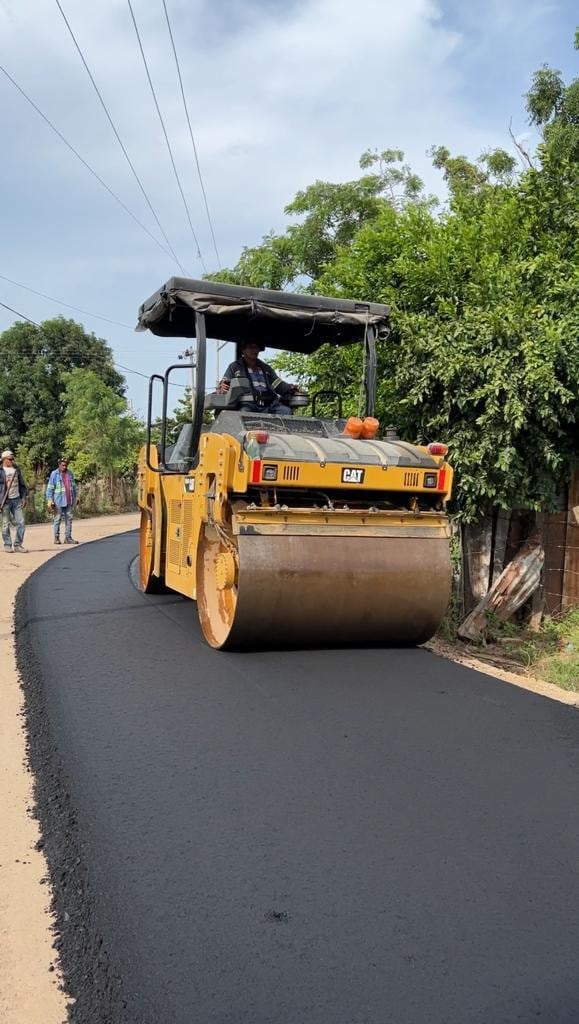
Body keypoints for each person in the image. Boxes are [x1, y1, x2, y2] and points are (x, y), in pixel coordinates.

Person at [218, 340, 298, 414]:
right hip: (247, 405)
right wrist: (223, 386)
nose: (254, 350)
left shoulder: (266, 368)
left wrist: (290, 387)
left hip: (269, 405)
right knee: (244, 414)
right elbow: (224, 383)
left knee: (286, 411)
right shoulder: (235, 367)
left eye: (256, 347)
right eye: (251, 347)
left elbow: (278, 385)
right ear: (243, 350)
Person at [46, 457, 79, 545]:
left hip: (69, 500)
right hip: (58, 501)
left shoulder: (70, 474)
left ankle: (68, 538)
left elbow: (74, 487)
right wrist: (50, 500)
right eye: (63, 465)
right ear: (59, 465)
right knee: (57, 519)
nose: (65, 467)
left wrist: (76, 497)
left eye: (66, 465)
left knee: (69, 519)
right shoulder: (54, 474)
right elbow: (50, 488)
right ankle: (56, 538)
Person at [0, 449, 28, 553]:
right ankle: (7, 544)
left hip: (16, 500)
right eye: (10, 459)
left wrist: (24, 497)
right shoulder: (0, 471)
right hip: (5, 501)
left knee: (21, 523)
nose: (12, 461)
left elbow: (22, 485)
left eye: (13, 459)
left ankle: (18, 545)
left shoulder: (16, 469)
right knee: (5, 524)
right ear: (4, 459)